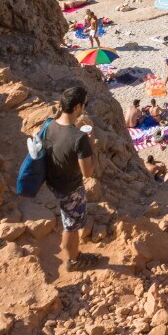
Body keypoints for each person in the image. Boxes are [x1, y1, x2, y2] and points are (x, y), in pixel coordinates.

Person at [35, 83, 101, 269]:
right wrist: (91, 145)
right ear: (77, 107)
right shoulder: (79, 138)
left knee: (68, 219)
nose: (84, 109)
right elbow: (88, 172)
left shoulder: (49, 125)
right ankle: (74, 260)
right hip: (70, 187)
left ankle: (71, 250)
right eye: (84, 105)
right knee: (71, 225)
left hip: (53, 182)